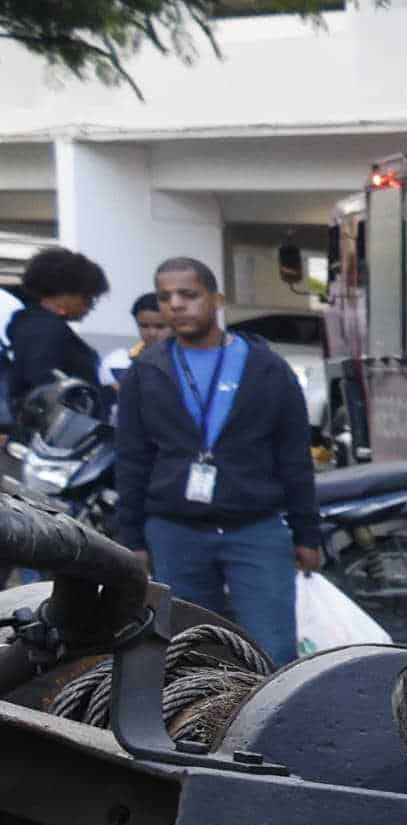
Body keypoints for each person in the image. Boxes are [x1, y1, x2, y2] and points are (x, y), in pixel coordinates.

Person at [111, 255, 321, 668]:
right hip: (174, 532)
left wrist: (307, 533)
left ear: (217, 299)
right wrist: (131, 539)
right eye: (165, 296)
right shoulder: (145, 372)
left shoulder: (268, 369)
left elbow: (294, 456)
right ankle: (199, 729)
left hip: (256, 530)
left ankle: (270, 730)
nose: (175, 304)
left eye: (188, 294)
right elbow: (132, 460)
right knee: (188, 653)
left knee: (271, 650)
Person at [4, 246, 110, 424]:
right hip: (55, 435)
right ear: (63, 294)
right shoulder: (45, 330)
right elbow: (46, 385)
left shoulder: (32, 325)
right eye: (87, 297)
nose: (91, 305)